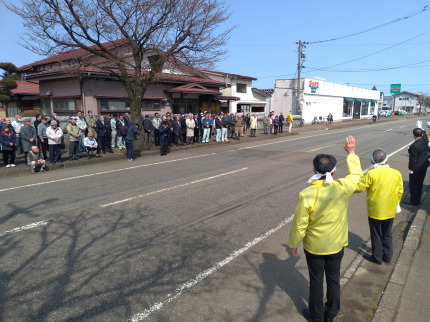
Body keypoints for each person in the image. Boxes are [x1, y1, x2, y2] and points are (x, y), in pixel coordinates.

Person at [288, 136, 362, 322]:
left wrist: (294, 244)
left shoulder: (306, 194)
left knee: (316, 281)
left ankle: (316, 315)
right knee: (334, 279)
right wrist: (351, 153)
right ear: (335, 171)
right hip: (336, 243)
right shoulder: (342, 187)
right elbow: (356, 176)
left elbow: (300, 223)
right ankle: (331, 312)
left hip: (315, 247)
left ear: (314, 170)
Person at [355, 149, 403, 265]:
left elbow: (358, 188)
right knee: (387, 233)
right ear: (386, 159)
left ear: (372, 160)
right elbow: (400, 191)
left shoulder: (371, 174)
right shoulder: (396, 173)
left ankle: (377, 257)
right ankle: (388, 256)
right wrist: (395, 202)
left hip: (375, 210)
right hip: (390, 209)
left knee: (376, 233)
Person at [405, 128, 429, 206]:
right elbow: (425, 134)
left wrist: (411, 169)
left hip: (416, 168)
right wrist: (422, 129)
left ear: (413, 135)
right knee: (420, 183)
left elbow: (413, 159)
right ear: (421, 134)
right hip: (424, 165)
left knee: (414, 185)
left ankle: (414, 201)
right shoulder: (425, 140)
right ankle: (418, 199)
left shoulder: (414, 146)